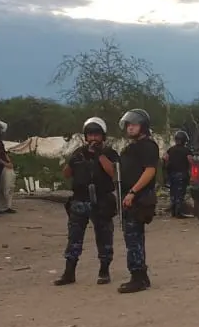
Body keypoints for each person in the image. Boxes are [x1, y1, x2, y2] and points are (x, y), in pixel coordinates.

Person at [54, 117, 119, 286]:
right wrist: (73, 160)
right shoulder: (79, 152)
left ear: (103, 136)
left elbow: (114, 173)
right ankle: (69, 272)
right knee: (74, 238)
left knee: (104, 238)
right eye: (90, 135)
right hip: (79, 200)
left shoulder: (110, 153)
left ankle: (104, 271)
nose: (93, 139)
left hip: (102, 200)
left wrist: (99, 156)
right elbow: (66, 174)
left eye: (96, 135)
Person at [117, 108, 159, 293]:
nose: (130, 127)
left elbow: (150, 171)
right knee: (132, 238)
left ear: (143, 126)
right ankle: (141, 276)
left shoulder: (148, 146)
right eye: (128, 125)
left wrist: (133, 192)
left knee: (134, 238)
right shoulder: (130, 147)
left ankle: (138, 277)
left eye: (134, 124)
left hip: (139, 199)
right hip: (128, 197)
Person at [162, 130, 191, 218]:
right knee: (180, 194)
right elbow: (191, 161)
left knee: (173, 193)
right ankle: (179, 212)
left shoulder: (171, 149)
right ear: (185, 140)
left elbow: (165, 158)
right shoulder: (186, 150)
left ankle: (173, 212)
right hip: (181, 175)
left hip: (172, 175)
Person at [0, 121, 16, 214]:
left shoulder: (0, 142)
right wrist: (5, 163)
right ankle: (0, 207)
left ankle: (7, 206)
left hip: (4, 166)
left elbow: (4, 153)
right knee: (0, 187)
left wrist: (9, 162)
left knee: (8, 187)